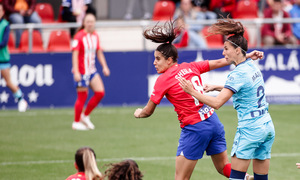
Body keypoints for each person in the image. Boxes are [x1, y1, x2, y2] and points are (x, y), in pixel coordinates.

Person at [133, 19, 262, 180]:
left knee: (181, 178)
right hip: (214, 123)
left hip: (195, 129)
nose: (154, 62)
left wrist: (138, 113)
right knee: (223, 167)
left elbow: (148, 111)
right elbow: (221, 61)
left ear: (169, 60)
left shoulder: (163, 79)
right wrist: (246, 55)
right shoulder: (190, 66)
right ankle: (247, 177)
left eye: (158, 59)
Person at [179, 17, 275, 180]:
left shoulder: (236, 74)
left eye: (226, 49)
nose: (223, 53)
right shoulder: (251, 65)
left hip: (250, 129)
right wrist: (216, 87)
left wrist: (192, 91)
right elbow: (245, 88)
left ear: (237, 50)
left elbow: (217, 103)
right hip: (266, 126)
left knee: (236, 177)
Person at [71, 13, 110, 130]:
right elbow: (75, 54)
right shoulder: (79, 36)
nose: (90, 24)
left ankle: (85, 115)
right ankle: (76, 122)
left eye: (92, 21)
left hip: (92, 70)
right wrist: (76, 72)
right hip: (82, 71)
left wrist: (104, 66)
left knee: (100, 93)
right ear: (84, 23)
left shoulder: (95, 36)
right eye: (88, 21)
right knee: (82, 96)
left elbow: (99, 52)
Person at [0, 2, 27, 112]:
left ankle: (21, 100)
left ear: (3, 12)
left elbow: (4, 42)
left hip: (3, 58)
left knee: (8, 82)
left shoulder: (5, 24)